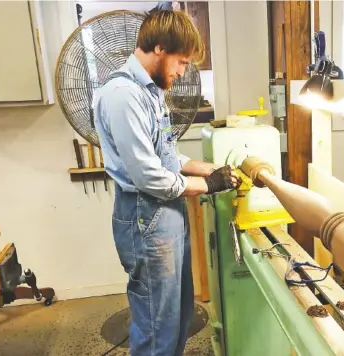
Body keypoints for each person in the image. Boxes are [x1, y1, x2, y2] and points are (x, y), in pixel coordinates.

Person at [93, 8, 240, 356]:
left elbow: (167, 157)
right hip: (146, 218)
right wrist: (209, 186)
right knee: (157, 326)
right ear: (159, 48)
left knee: (177, 317)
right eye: (182, 61)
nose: (182, 71)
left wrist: (208, 169)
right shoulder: (123, 95)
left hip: (166, 216)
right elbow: (148, 176)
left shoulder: (151, 91)